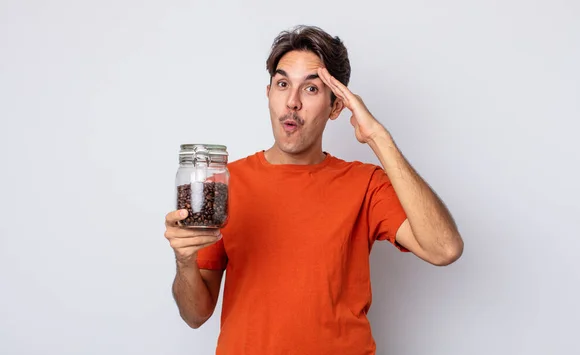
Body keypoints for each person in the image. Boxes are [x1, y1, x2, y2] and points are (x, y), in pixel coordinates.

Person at [164, 25, 464, 354]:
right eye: (282, 84)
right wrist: (184, 260)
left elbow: (444, 249)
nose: (292, 102)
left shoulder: (365, 184)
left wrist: (378, 136)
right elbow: (195, 315)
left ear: (337, 107)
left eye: (310, 89)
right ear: (268, 94)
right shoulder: (223, 183)